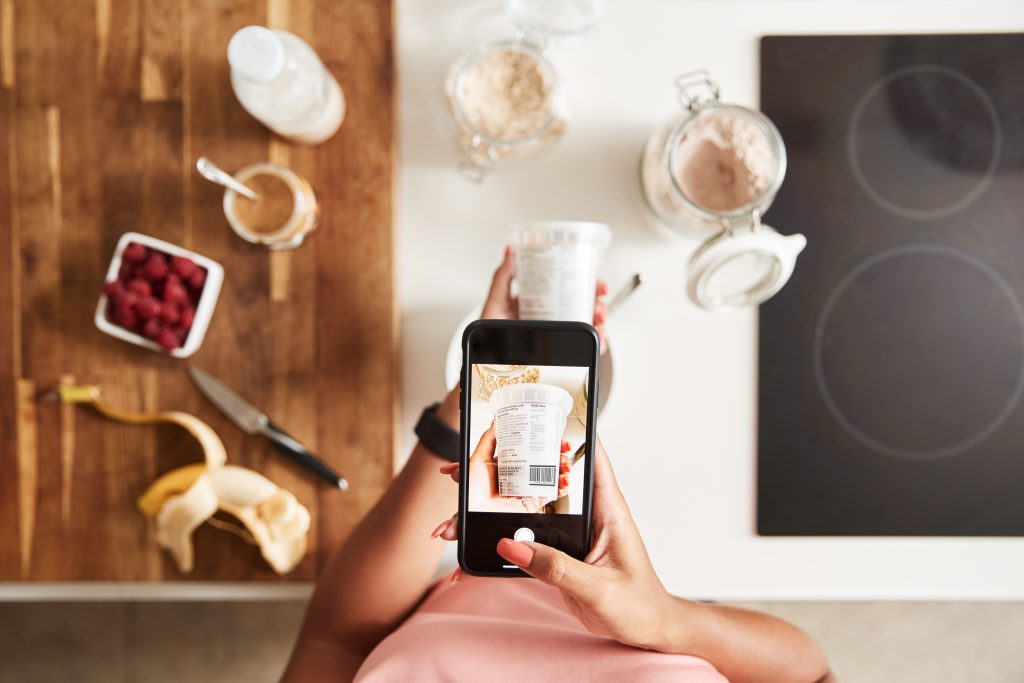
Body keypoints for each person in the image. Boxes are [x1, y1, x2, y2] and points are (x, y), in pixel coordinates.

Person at [283, 249, 835, 683]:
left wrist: (473, 395)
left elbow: (338, 643)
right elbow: (811, 675)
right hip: (653, 595)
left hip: (471, 556)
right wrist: (663, 619)